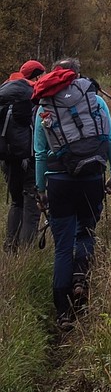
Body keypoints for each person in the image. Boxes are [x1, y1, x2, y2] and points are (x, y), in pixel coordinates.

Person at [32, 58, 111, 328]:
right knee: (86, 232)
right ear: (77, 76)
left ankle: (63, 313)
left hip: (59, 181)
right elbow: (110, 141)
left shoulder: (44, 108)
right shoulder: (94, 100)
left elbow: (39, 155)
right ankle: (80, 280)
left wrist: (41, 189)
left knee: (62, 247)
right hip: (92, 176)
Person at [1, 59, 46, 250]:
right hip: (31, 158)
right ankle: (26, 253)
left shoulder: (4, 92)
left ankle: (10, 246)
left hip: (8, 158)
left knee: (16, 202)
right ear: (36, 75)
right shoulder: (34, 94)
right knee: (32, 204)